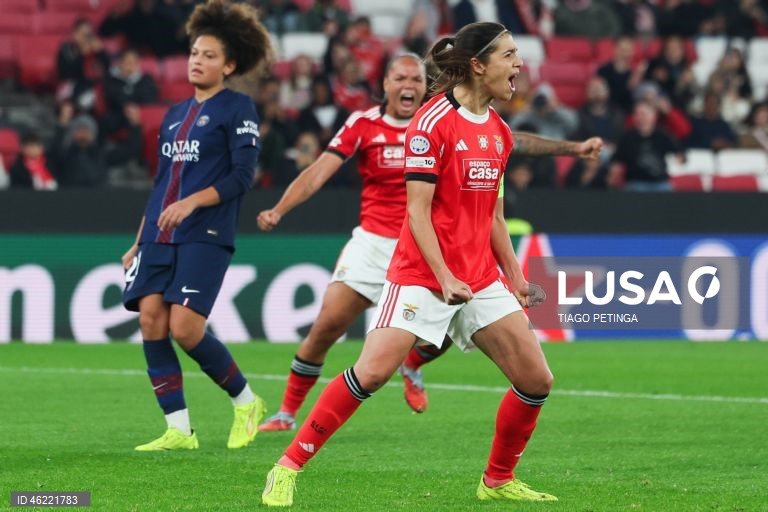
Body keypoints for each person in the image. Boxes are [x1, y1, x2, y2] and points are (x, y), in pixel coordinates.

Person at [260, 21, 603, 507]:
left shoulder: (500, 134)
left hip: (478, 276)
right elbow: (417, 211)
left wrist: (518, 279)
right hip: (423, 273)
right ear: (478, 65)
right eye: (508, 55)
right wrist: (443, 276)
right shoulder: (431, 123)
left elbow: (495, 219)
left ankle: (497, 481)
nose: (519, 65)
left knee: (535, 381)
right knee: (373, 372)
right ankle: (287, 466)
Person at [256, 53, 448, 433]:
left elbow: (499, 141)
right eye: (400, 78)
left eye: (415, 79)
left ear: (425, 86)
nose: (408, 85)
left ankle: (413, 362)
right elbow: (318, 173)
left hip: (425, 245)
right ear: (386, 85)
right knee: (326, 326)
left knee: (450, 330)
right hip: (374, 244)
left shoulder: (439, 125)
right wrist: (280, 209)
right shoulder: (364, 124)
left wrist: (569, 149)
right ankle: (286, 413)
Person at [120, 0, 273, 451]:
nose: (197, 61)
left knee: (185, 328)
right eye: (193, 53)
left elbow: (242, 177)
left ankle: (246, 401)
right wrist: (137, 241)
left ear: (228, 65)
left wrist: (192, 203)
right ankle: (179, 430)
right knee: (151, 320)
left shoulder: (238, 107)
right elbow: (163, 183)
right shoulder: (172, 115)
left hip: (205, 233)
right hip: (159, 236)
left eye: (208, 55)